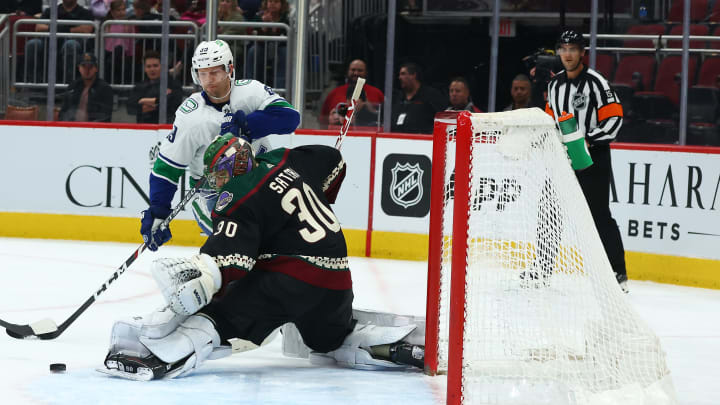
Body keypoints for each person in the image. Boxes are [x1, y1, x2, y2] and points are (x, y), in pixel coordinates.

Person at [100, 134, 425, 380]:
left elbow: (228, 262)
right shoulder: (288, 159)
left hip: (287, 282)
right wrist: (319, 197)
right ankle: (393, 347)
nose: (218, 183)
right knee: (330, 340)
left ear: (230, 165)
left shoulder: (238, 194)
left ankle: (160, 357)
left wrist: (201, 275)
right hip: (337, 282)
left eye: (218, 174)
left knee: (220, 314)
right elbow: (334, 161)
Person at [140, 39, 300, 253]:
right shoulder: (191, 116)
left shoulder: (251, 92)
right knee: (237, 248)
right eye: (202, 73)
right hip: (214, 192)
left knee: (283, 242)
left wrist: (247, 126)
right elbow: (167, 168)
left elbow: (290, 118)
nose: (209, 80)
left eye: (214, 72)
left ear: (230, 69)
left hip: (260, 179)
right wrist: (158, 211)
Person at [543, 29, 628, 293]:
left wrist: (590, 140)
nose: (568, 54)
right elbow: (550, 121)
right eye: (563, 49)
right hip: (563, 158)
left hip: (593, 159)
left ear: (582, 52)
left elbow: (615, 119)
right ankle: (541, 269)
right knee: (549, 213)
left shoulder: (597, 82)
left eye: (573, 49)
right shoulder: (554, 84)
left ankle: (618, 274)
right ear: (559, 52)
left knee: (599, 216)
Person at [24, 0, 95, 83]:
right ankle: (35, 84)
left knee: (70, 45)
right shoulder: (50, 11)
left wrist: (63, 29)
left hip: (74, 45)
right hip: (48, 43)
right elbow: (38, 28)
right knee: (32, 44)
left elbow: (87, 29)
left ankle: (69, 84)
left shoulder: (85, 13)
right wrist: (58, 28)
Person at [321, 59, 384, 126]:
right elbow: (323, 119)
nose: (356, 73)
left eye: (360, 70)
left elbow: (384, 120)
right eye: (353, 70)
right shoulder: (334, 93)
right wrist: (330, 120)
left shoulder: (377, 93)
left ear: (366, 72)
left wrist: (369, 109)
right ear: (347, 71)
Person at [127, 50, 185, 123]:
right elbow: (130, 108)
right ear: (144, 69)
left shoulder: (173, 84)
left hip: (167, 127)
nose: (152, 69)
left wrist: (143, 100)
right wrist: (157, 102)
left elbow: (173, 103)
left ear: (162, 66)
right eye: (148, 66)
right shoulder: (139, 86)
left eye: (155, 66)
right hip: (144, 128)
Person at [391, 62, 446, 134]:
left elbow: (443, 119)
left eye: (403, 74)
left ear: (413, 75)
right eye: (400, 74)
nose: (400, 77)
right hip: (396, 139)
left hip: (422, 140)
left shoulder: (430, 94)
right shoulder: (398, 97)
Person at [246, 0, 289, 89]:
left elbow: (287, 35)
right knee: (253, 51)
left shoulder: (285, 17)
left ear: (282, 4)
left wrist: (275, 29)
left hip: (280, 47)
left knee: (284, 53)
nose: (272, 4)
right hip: (262, 46)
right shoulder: (259, 15)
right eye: (270, 1)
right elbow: (251, 29)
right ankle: (251, 87)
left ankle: (280, 89)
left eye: (276, 2)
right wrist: (263, 27)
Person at [58, 52, 114, 122]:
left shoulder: (105, 89)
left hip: (94, 130)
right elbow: (64, 111)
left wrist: (91, 128)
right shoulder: (73, 86)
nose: (87, 70)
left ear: (96, 69)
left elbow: (105, 116)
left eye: (90, 67)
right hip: (72, 129)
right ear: (79, 68)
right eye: (84, 66)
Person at [103, 0, 134, 84]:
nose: (121, 12)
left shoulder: (129, 24)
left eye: (123, 9)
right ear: (112, 12)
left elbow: (131, 41)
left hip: (124, 54)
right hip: (109, 54)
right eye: (118, 10)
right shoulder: (107, 24)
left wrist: (131, 55)